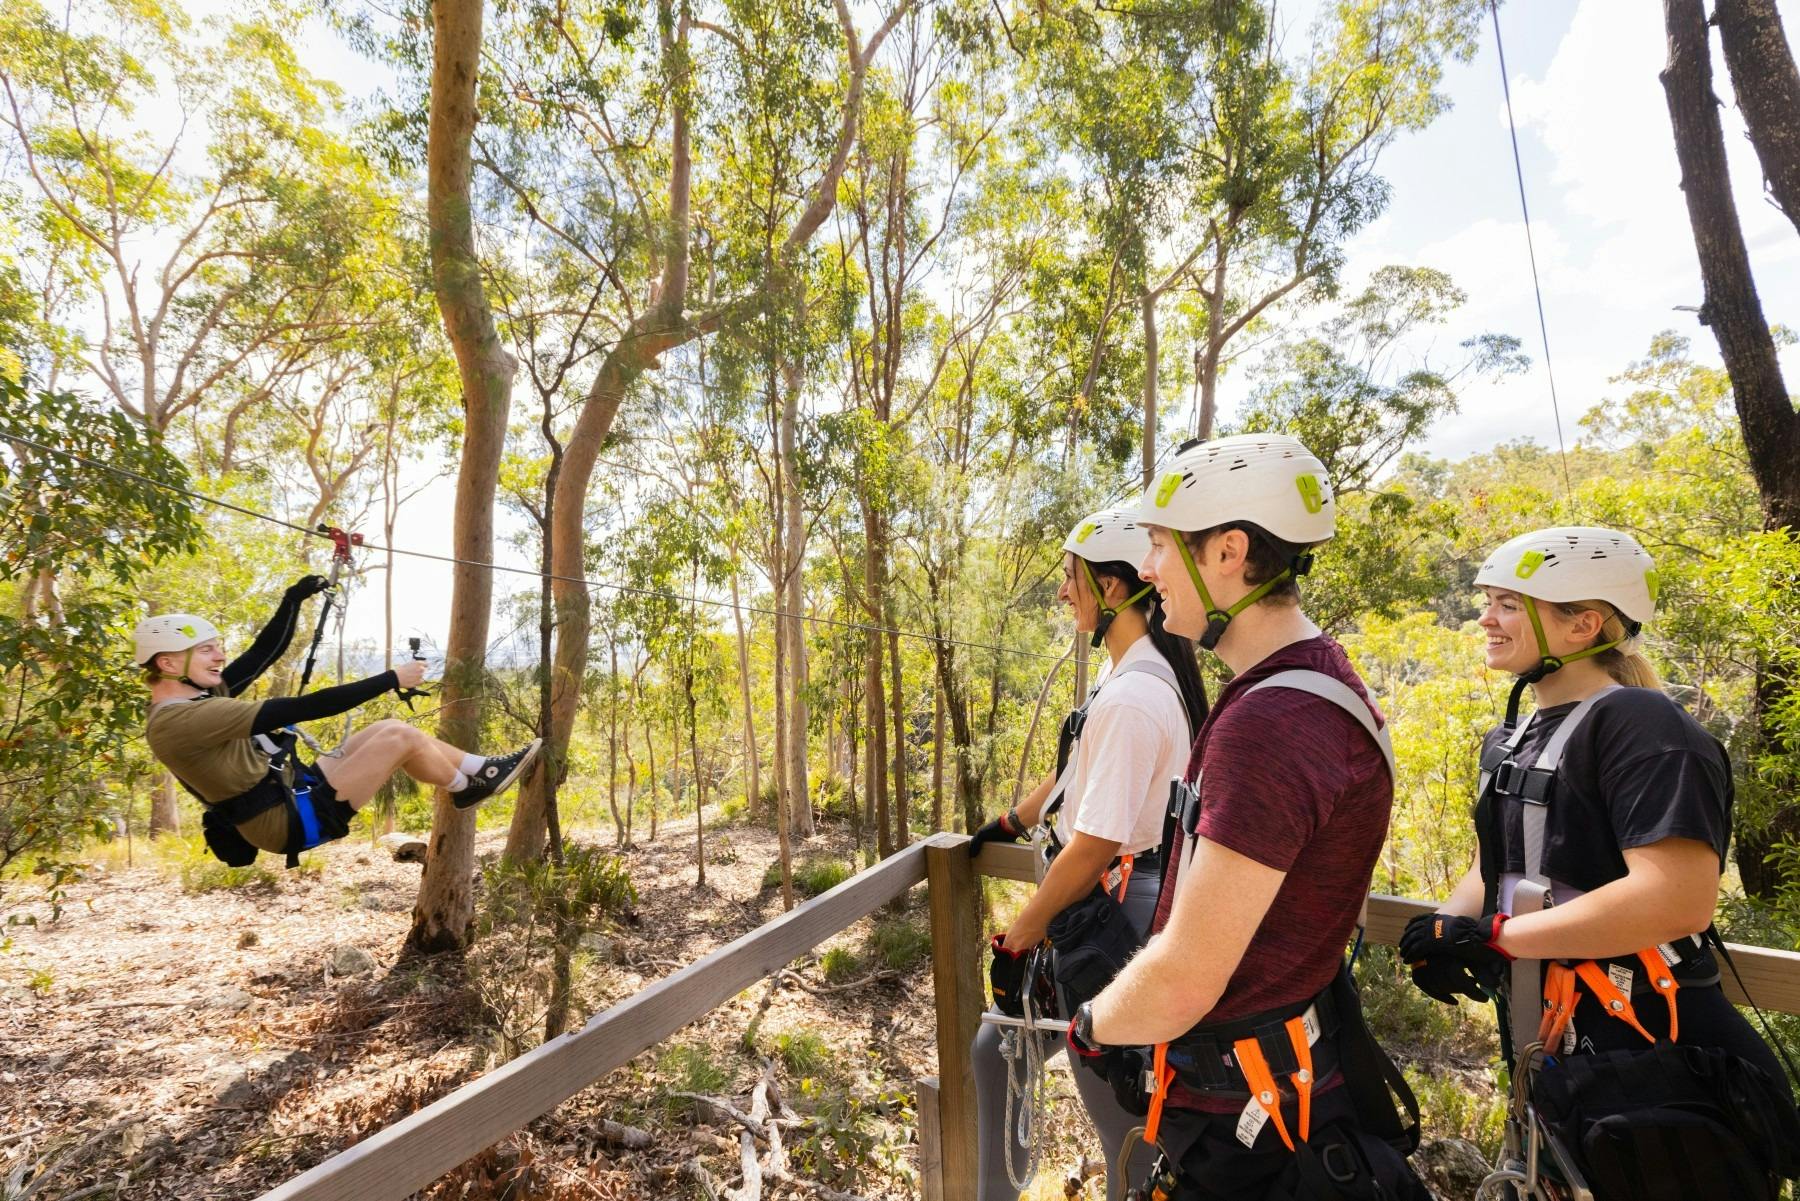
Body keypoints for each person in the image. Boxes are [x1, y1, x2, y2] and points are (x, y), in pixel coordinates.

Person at [1066, 434, 1429, 1201]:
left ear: (1229, 551)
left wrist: (1092, 1023)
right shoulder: (1315, 680)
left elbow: (1188, 973)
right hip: (1287, 1094)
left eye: (1162, 545)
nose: (1151, 568)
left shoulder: (1272, 720)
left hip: (1252, 1133)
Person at [1399, 525, 1799, 1199]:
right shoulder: (1513, 736)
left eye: (1506, 603)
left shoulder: (1644, 726)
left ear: (1584, 624)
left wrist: (1497, 938)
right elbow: (1493, 863)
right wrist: (1443, 927)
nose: (1485, 617)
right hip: (1563, 1048)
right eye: (1488, 600)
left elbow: (1674, 898)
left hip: (1655, 1060)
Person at [965, 508, 1208, 1201]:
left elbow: (1095, 842)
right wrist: (1012, 819)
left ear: (1110, 588)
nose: (1063, 592)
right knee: (999, 1048)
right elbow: (1078, 770)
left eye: (1070, 578)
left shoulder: (1134, 695)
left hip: (1108, 913)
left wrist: (1017, 938)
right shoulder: (1131, 678)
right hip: (1098, 906)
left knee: (1121, 1119)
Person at [136, 576, 540, 865]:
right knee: (398, 737)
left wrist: (291, 601)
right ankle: (466, 785)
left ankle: (478, 772)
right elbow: (302, 708)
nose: (220, 657)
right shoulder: (182, 720)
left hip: (288, 790)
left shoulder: (200, 695)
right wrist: (391, 679)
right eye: (206, 650)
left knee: (386, 729)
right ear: (169, 663)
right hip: (285, 821)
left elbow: (262, 655)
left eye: (217, 648)